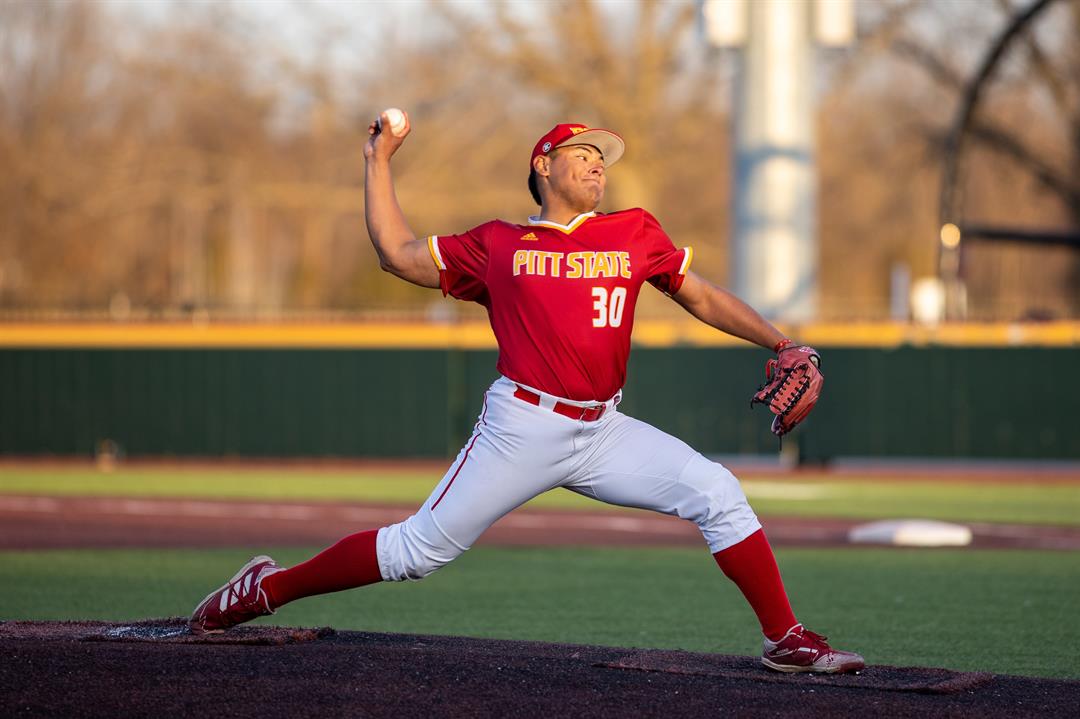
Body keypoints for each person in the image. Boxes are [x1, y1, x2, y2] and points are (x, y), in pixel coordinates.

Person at [189, 113, 864, 674]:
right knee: (415, 552)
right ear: (543, 165)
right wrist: (379, 160)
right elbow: (396, 253)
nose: (598, 163)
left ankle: (785, 637)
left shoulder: (633, 232)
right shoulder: (499, 245)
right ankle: (266, 587)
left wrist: (781, 342)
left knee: (717, 491)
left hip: (603, 430)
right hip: (522, 427)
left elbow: (703, 294)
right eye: (582, 153)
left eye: (603, 157)